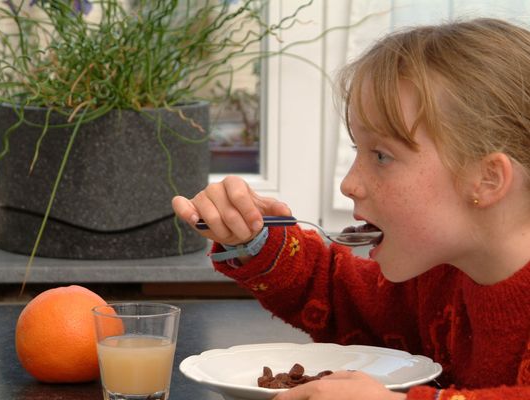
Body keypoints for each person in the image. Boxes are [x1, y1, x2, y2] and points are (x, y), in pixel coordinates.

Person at [172, 18, 530, 400]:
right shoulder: (437, 279)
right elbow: (339, 295)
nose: (348, 184)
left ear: (487, 180)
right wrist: (253, 238)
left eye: (381, 155)